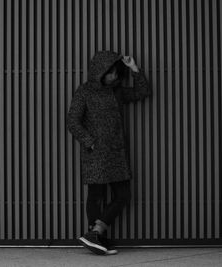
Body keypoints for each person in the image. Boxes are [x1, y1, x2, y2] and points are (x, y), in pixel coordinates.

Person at [66, 50, 151, 255]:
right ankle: (98, 239)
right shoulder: (85, 91)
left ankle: (95, 233)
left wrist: (133, 69)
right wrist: (90, 142)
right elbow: (72, 120)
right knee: (96, 196)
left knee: (123, 196)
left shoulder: (117, 91)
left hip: (115, 153)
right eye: (111, 72)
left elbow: (143, 92)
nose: (114, 76)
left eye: (116, 72)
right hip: (95, 154)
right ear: (100, 72)